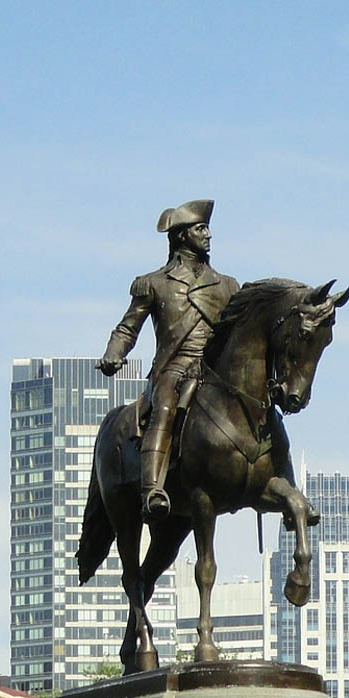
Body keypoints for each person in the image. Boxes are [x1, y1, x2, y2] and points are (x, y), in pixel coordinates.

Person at [95, 199, 239, 519]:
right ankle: (152, 489)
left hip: (214, 371)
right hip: (175, 366)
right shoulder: (155, 283)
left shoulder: (228, 285)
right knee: (163, 410)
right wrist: (113, 354)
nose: (208, 234)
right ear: (182, 236)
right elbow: (128, 327)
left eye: (207, 227)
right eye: (201, 228)